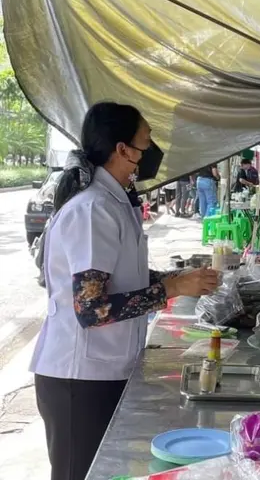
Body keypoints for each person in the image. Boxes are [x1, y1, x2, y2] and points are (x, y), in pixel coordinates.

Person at [31, 102, 219, 480]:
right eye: (146, 142)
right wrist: (172, 287)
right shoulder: (93, 210)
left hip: (104, 369)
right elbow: (92, 307)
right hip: (78, 377)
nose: (151, 152)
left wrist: (177, 276)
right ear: (122, 150)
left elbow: (121, 275)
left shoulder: (116, 202)